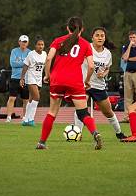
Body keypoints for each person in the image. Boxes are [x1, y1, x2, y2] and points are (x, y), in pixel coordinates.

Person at [36, 16, 102, 150]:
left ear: (67, 28)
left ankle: (42, 142)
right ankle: (95, 133)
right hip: (75, 81)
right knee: (83, 113)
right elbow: (91, 66)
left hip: (57, 80)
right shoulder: (85, 44)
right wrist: (87, 81)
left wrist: (47, 75)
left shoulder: (58, 41)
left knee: (52, 113)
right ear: (82, 29)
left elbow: (48, 58)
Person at [74, 27, 127, 140]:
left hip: (99, 86)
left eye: (102, 35)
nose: (100, 37)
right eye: (97, 35)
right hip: (84, 84)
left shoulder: (107, 53)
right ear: (92, 37)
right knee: (81, 110)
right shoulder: (86, 47)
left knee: (108, 112)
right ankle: (77, 134)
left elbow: (107, 68)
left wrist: (104, 74)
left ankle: (119, 133)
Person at [20, 36, 47, 126]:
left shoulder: (44, 54)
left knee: (31, 99)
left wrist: (47, 75)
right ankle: (31, 119)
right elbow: (25, 66)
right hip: (31, 78)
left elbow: (46, 66)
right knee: (37, 97)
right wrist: (22, 78)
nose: (40, 46)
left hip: (39, 79)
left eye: (42, 44)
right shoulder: (31, 54)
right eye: (39, 44)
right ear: (35, 45)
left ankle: (25, 120)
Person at [6, 35, 31, 123]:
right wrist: (25, 64)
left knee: (26, 100)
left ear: (27, 43)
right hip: (15, 78)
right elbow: (12, 63)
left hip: (26, 79)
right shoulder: (14, 51)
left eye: (25, 42)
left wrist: (21, 63)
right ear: (19, 42)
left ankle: (25, 117)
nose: (23, 43)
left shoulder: (30, 52)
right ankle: (9, 117)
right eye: (22, 41)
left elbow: (30, 65)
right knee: (12, 98)